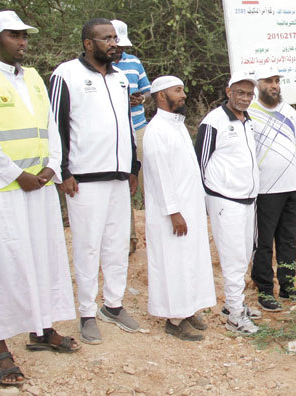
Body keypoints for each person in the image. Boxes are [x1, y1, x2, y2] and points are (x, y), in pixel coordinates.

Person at [0, 11, 79, 388]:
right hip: (1, 192)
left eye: (25, 35)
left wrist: (51, 169)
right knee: (2, 267)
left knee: (43, 259)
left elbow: (49, 129)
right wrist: (16, 175)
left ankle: (42, 330)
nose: (22, 42)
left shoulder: (34, 78)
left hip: (38, 187)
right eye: (14, 36)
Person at [50, 18, 141, 344]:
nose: (113, 43)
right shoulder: (66, 75)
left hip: (118, 177)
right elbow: (55, 126)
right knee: (87, 246)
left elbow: (128, 126)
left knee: (116, 245)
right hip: (84, 178)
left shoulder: (120, 79)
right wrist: (62, 171)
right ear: (89, 43)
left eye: (115, 38)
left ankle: (113, 306)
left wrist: (133, 166)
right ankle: (87, 312)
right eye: (106, 39)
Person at [143, 76, 216, 341]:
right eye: (178, 90)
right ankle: (173, 319)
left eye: (183, 89)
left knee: (190, 259)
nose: (183, 95)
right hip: (171, 213)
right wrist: (173, 212)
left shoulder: (177, 125)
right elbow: (161, 176)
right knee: (173, 262)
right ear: (161, 96)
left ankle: (188, 309)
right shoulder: (156, 130)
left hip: (189, 207)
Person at [195, 72, 261, 335]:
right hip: (225, 200)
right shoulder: (213, 122)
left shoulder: (249, 121)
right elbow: (199, 163)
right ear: (228, 92)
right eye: (240, 93)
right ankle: (235, 316)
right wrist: (202, 200)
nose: (245, 98)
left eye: (249, 94)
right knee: (233, 258)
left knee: (244, 254)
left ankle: (235, 303)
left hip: (247, 199)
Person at [248, 65, 296, 312]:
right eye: (269, 81)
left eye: (277, 81)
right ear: (258, 85)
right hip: (264, 190)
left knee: (288, 240)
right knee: (264, 243)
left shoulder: (288, 111)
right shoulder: (250, 112)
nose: (274, 85)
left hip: (291, 189)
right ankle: (265, 290)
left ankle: (288, 286)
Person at [110, 19, 151, 254]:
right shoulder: (98, 68)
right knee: (120, 185)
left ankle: (154, 235)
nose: (119, 50)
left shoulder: (134, 63)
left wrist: (142, 99)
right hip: (114, 133)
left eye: (122, 46)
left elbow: (147, 91)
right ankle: (128, 238)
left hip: (138, 128)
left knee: (148, 182)